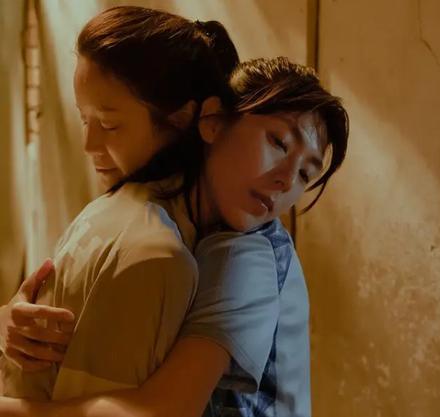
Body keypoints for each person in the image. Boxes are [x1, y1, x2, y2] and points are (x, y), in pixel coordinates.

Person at [0, 5, 349, 417]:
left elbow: (163, 410)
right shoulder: (149, 220)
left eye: (306, 173)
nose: (286, 180)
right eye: (278, 144)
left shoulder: (246, 256)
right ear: (212, 122)